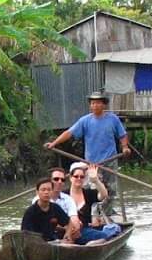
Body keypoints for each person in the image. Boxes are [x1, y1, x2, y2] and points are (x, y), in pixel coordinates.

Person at [45, 90, 132, 218]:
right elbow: (69, 133)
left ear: (104, 105)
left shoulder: (112, 119)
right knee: (90, 190)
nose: (95, 106)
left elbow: (122, 135)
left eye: (98, 103)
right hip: (91, 164)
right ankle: (89, 215)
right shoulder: (85, 121)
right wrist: (54, 144)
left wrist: (124, 147)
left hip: (110, 161)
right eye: (92, 103)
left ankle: (106, 214)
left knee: (110, 191)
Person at [20, 178, 71, 242]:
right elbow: (25, 234)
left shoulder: (55, 208)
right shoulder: (30, 212)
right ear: (37, 192)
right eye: (43, 190)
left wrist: (67, 235)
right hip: (35, 243)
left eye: (49, 190)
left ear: (52, 191)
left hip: (52, 240)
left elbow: (69, 223)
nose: (46, 192)